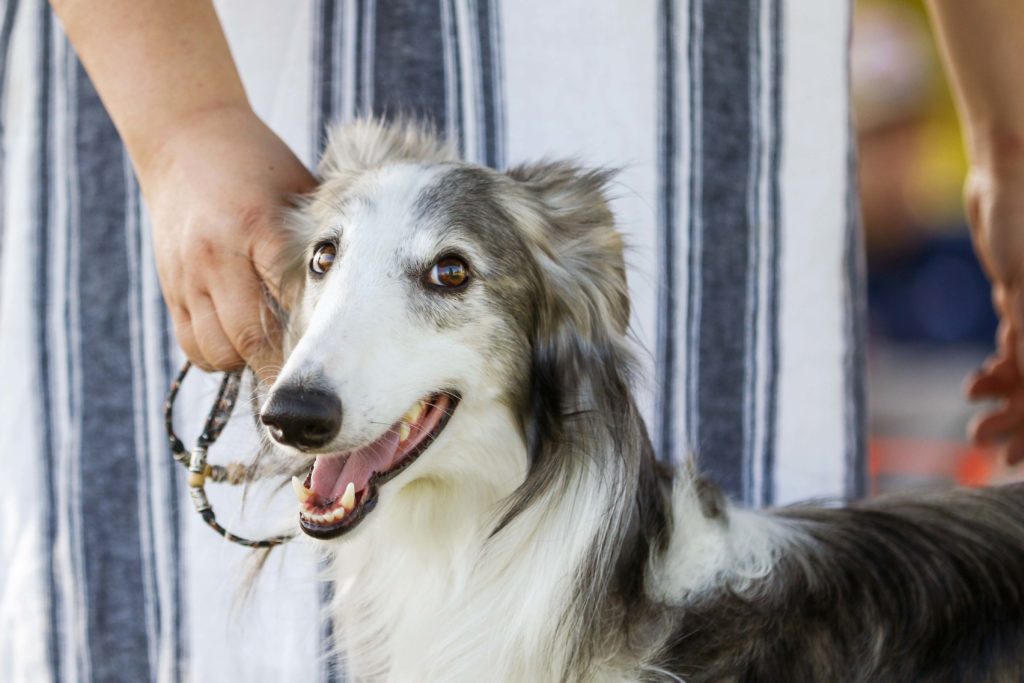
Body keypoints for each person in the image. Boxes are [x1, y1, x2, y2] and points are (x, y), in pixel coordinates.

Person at [2, 0, 862, 680]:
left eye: (447, 275)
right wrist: (186, 124)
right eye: (331, 259)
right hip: (180, 96)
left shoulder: (565, 274)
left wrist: (1003, 137)